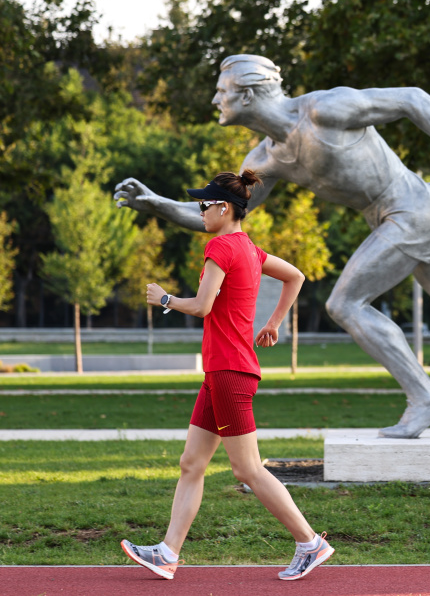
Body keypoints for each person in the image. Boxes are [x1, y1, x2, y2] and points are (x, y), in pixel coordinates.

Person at [114, 54, 430, 439]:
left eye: (221, 91)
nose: (215, 100)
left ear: (248, 93)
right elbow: (217, 217)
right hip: (401, 218)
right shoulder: (265, 158)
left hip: (410, 210)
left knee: (345, 302)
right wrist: (156, 203)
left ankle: (425, 396)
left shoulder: (326, 108)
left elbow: (415, 100)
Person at [120, 170, 334, 581]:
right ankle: (167, 553)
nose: (199, 211)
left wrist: (164, 298)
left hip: (230, 371)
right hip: (221, 370)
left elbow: (202, 306)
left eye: (204, 205)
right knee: (192, 462)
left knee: (247, 470)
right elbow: (296, 276)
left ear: (224, 208)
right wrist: (273, 323)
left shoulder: (221, 246)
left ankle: (310, 543)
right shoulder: (250, 250)